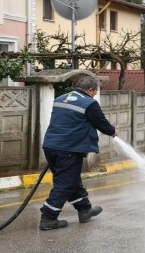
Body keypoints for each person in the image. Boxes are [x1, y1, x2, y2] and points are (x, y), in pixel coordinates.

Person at [39, 75, 117, 230]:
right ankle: (48, 218)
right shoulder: (89, 103)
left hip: (51, 146)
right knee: (65, 183)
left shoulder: (61, 98)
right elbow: (102, 124)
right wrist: (113, 131)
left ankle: (85, 210)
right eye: (95, 92)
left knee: (71, 179)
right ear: (90, 90)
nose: (95, 94)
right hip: (69, 148)